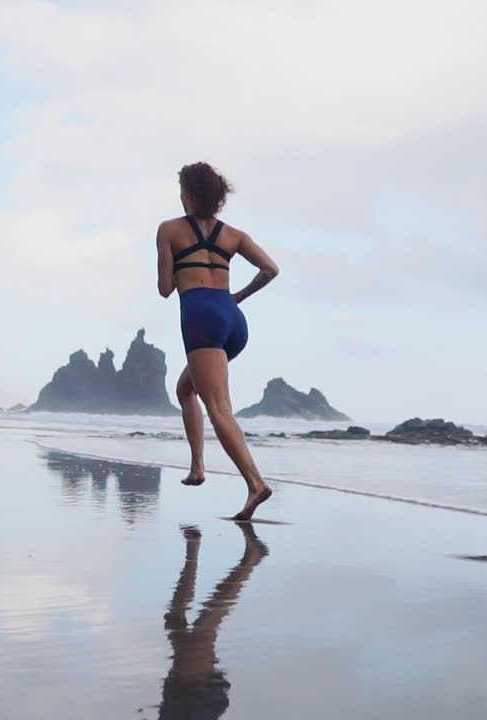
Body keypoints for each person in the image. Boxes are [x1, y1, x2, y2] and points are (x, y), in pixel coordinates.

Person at [156, 162, 279, 521]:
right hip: (232, 321)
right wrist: (236, 297)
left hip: (201, 321)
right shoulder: (234, 235)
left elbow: (165, 289)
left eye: (182, 191)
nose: (180, 197)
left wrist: (175, 262)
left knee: (220, 408)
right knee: (185, 389)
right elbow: (271, 269)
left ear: (190, 194)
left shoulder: (168, 230)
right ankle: (197, 467)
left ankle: (256, 483)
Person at [158, 523, 269, 718]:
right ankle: (251, 559)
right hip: (194, 695)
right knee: (203, 628)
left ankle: (193, 550)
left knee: (175, 620)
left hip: (183, 696)